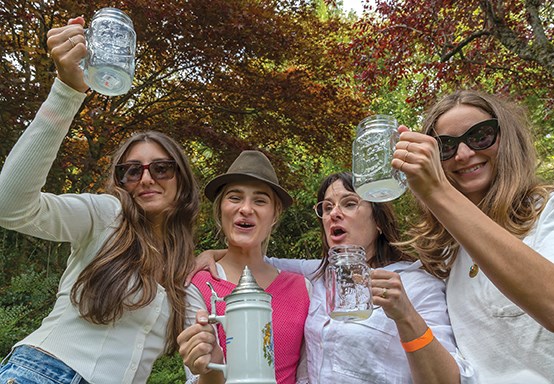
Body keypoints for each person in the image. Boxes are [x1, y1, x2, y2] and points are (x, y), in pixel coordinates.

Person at [0, 17, 200, 384]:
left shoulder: (182, 268)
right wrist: (66, 91)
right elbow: (9, 206)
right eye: (131, 171)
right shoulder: (107, 214)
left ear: (182, 181)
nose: (146, 178)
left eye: (161, 168)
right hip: (45, 373)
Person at [194, 171, 476, 383]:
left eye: (349, 204)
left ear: (378, 221)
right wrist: (212, 253)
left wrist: (406, 316)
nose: (334, 214)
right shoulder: (315, 276)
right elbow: (254, 258)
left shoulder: (416, 284)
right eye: (327, 208)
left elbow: (448, 379)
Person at [394, 89, 554, 383]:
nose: (464, 154)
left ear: (508, 139)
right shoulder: (446, 255)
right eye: (446, 147)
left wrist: (437, 191)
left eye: (481, 136)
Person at [178, 150, 310, 384]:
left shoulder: (302, 288)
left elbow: (306, 376)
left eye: (260, 200)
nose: (246, 209)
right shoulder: (198, 285)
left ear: (275, 215)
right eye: (235, 197)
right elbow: (196, 378)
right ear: (220, 209)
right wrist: (211, 366)